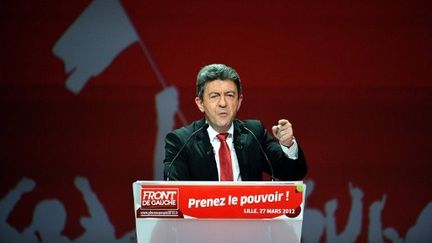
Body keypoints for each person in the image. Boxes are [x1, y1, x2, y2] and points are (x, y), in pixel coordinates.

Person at [163, 63, 307, 181]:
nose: (223, 103)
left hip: (248, 215)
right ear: (200, 103)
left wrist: (288, 144)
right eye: (214, 96)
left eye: (230, 95)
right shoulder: (181, 141)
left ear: (239, 102)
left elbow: (293, 174)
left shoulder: (254, 133)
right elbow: (175, 194)